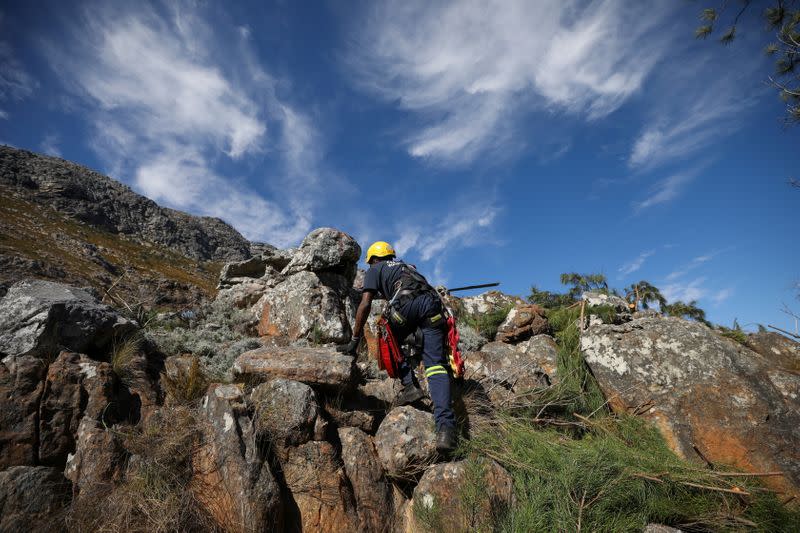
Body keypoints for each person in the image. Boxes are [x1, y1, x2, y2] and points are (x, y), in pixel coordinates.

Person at [337, 241, 457, 453]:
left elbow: (365, 304)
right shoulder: (407, 267)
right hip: (433, 305)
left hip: (407, 305)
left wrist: (355, 341)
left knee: (386, 332)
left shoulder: (375, 269)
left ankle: (409, 385)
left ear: (374, 259)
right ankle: (445, 429)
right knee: (436, 367)